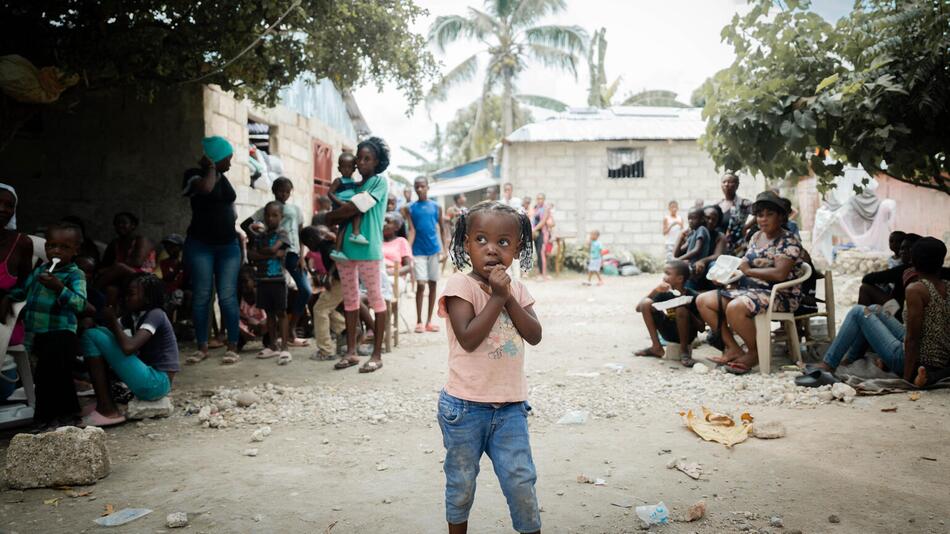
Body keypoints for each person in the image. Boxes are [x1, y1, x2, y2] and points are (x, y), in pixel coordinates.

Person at [439, 201, 541, 534]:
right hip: (464, 408)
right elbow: (468, 338)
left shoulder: (518, 290)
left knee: (521, 481)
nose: (491, 250)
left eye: (503, 242)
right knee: (462, 482)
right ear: (466, 243)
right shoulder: (460, 287)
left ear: (518, 247)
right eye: (481, 240)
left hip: (510, 408)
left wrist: (507, 295)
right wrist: (496, 298)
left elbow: (535, 335)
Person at [695, 191, 805, 374]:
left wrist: (749, 271)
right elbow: (743, 263)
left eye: (769, 214)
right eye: (760, 215)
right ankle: (733, 348)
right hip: (749, 290)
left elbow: (780, 274)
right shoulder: (756, 237)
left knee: (735, 307)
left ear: (781, 217)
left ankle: (754, 352)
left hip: (778, 294)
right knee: (703, 301)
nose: (763, 219)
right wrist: (726, 277)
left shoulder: (788, 240)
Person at [817, 238, 949, 387]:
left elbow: (912, 339)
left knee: (858, 311)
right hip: (938, 357)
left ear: (914, 260)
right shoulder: (947, 285)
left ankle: (828, 364)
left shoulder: (916, 289)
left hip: (912, 358)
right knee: (874, 309)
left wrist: (906, 380)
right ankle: (853, 357)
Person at [313, 137, 390, 373]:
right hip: (346, 250)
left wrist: (326, 218)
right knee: (350, 299)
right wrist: (333, 215)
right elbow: (342, 207)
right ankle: (351, 352)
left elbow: (354, 208)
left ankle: (376, 354)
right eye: (359, 158)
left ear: (378, 162)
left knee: (376, 299)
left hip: (368, 249)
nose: (362, 162)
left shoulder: (379, 182)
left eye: (368, 158)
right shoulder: (352, 185)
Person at [0, 223, 87, 428]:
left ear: (76, 250)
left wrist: (59, 288)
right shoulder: (40, 270)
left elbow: (80, 303)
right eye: (51, 246)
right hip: (39, 333)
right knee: (48, 376)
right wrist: (7, 298)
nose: (56, 251)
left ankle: (47, 419)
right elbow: (23, 291)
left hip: (61, 334)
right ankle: (66, 415)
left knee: (55, 377)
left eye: (64, 247)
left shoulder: (75, 274)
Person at [80, 274, 180, 427]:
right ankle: (104, 402)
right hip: (151, 378)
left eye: (131, 294)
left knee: (92, 335)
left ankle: (107, 410)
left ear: (147, 298)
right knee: (99, 332)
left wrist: (112, 321)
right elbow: (109, 334)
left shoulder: (156, 315)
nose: (126, 298)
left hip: (156, 382)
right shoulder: (134, 316)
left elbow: (129, 347)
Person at [181, 136, 242, 365]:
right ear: (216, 159)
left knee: (227, 296)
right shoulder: (194, 176)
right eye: (228, 159)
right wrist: (211, 167)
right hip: (201, 246)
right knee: (202, 296)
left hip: (228, 246)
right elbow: (206, 189)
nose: (231, 163)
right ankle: (202, 346)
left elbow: (230, 207)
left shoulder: (223, 178)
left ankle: (232, 346)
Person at [242, 177, 311, 346]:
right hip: (272, 257)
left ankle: (292, 329)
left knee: (305, 290)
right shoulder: (268, 210)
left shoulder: (295, 209)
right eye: (281, 191)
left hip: (292, 254)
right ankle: (275, 337)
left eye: (287, 191)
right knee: (275, 293)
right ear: (274, 190)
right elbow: (245, 225)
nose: (284, 194)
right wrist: (258, 237)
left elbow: (300, 234)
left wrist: (302, 256)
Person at [246, 201, 293, 365]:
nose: (270, 218)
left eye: (275, 215)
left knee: (281, 313)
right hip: (262, 280)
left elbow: (274, 250)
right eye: (267, 215)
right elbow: (251, 255)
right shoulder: (260, 236)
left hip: (277, 281)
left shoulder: (283, 233)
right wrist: (269, 253)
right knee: (270, 314)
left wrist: (263, 252)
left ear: (281, 217)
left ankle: (285, 347)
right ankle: (273, 346)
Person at [634, 260, 704, 366]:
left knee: (681, 309)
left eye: (668, 273)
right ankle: (656, 347)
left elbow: (702, 328)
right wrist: (655, 291)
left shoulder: (693, 296)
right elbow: (639, 308)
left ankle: (684, 352)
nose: (664, 277)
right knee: (646, 303)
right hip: (668, 333)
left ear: (679, 279)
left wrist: (687, 312)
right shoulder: (664, 293)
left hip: (687, 334)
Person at [403, 177, 447, 333]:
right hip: (418, 251)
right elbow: (411, 230)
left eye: (422, 186)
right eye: (417, 187)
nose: (420, 189)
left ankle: (429, 321)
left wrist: (445, 250)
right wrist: (406, 250)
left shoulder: (436, 207)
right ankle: (419, 321)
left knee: (433, 284)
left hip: (433, 250)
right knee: (420, 284)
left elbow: (442, 229)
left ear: (428, 187)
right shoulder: (411, 208)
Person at [301, 225, 346, 361]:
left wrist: (330, 275)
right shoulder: (324, 245)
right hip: (341, 281)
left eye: (308, 244)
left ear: (311, 239)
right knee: (327, 309)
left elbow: (337, 259)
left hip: (340, 281)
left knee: (319, 310)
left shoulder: (326, 246)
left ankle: (326, 350)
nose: (309, 248)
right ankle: (345, 330)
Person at [0, 184, 34, 349]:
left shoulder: (22, 243)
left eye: (9, 205)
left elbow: (27, 284)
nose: (2, 209)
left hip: (4, 320)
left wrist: (9, 297)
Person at [98, 212, 157, 303]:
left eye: (124, 223)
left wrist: (109, 269)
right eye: (117, 223)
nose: (120, 226)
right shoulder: (115, 243)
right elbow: (104, 264)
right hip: (124, 277)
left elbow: (137, 262)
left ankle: (91, 290)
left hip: (144, 276)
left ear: (133, 226)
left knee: (120, 267)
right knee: (111, 290)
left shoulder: (142, 240)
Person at [327, 152, 366, 261]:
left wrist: (363, 182)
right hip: (341, 206)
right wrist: (340, 203)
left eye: (350, 167)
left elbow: (356, 184)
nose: (347, 170)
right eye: (344, 167)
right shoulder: (338, 181)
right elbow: (330, 193)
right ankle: (355, 233)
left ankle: (338, 250)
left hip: (348, 206)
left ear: (354, 169)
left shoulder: (352, 181)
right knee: (356, 213)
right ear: (339, 169)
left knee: (344, 227)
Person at [689, 205, 727, 287]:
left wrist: (702, 261)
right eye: (707, 217)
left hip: (708, 267)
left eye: (714, 220)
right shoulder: (693, 232)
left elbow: (717, 255)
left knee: (714, 265)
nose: (710, 221)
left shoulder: (720, 236)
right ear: (701, 217)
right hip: (694, 268)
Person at [717, 173, 753, 256]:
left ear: (737, 185)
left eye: (730, 182)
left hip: (737, 247)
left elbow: (759, 213)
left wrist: (746, 227)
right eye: (724, 182)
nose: (726, 184)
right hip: (719, 247)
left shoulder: (743, 203)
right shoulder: (717, 204)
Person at [238, 268, 268, 351]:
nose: (242, 285)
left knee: (269, 337)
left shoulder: (261, 295)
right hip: (247, 327)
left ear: (254, 281)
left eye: (245, 281)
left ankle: (269, 340)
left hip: (262, 326)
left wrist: (262, 324)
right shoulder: (239, 298)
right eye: (240, 282)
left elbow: (270, 315)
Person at [532, 193, 553, 279]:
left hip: (543, 233)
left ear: (544, 199)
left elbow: (543, 221)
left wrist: (535, 229)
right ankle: (539, 273)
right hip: (536, 234)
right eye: (538, 198)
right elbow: (532, 219)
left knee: (542, 253)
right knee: (538, 253)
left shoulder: (546, 209)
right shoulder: (536, 208)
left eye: (541, 199)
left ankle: (543, 274)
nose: (539, 200)